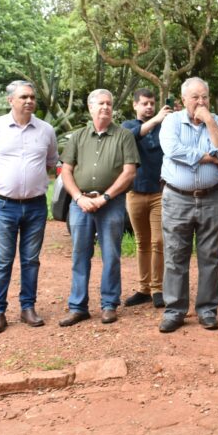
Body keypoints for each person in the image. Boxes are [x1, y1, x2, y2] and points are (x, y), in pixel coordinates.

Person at [0, 81, 59, 334]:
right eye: (23, 96)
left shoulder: (46, 130)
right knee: (2, 261)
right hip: (4, 206)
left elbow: (50, 161)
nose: (29, 101)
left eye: (32, 97)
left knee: (31, 260)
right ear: (10, 100)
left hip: (35, 206)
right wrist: (6, 179)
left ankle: (27, 308)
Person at [157, 77, 218, 333]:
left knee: (210, 255)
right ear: (183, 100)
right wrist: (208, 158)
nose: (201, 102)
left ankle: (207, 309)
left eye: (205, 97)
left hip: (212, 196)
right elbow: (173, 151)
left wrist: (210, 122)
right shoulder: (171, 122)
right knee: (175, 255)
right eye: (195, 98)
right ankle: (174, 310)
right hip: (177, 197)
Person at [58, 89, 139, 327]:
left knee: (111, 255)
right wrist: (77, 198)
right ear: (90, 107)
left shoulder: (124, 136)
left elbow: (129, 172)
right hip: (80, 204)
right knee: (79, 255)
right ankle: (78, 307)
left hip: (111, 203)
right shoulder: (78, 137)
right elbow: (66, 171)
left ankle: (109, 305)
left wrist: (104, 197)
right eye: (100, 103)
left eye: (109, 103)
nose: (105, 107)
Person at [121, 88, 172, 309]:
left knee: (158, 241)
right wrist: (158, 119)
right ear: (135, 105)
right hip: (134, 193)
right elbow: (132, 136)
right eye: (144, 103)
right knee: (141, 242)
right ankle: (143, 289)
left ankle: (157, 288)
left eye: (152, 103)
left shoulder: (165, 127)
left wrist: (170, 117)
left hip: (159, 193)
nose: (149, 107)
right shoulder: (127, 127)